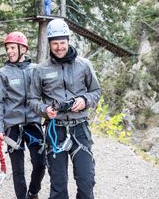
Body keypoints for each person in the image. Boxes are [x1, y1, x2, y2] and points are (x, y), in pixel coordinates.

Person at [28, 19, 101, 199]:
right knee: (58, 185)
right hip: (55, 131)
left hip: (80, 128)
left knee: (86, 181)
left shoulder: (84, 65)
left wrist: (85, 100)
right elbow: (32, 99)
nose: (59, 47)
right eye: (55, 43)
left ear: (68, 41)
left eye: (62, 42)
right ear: (50, 44)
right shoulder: (41, 69)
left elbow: (96, 91)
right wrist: (45, 109)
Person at [0, 31, 46, 199]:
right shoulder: (3, 73)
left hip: (33, 124)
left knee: (40, 163)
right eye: (7, 48)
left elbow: (46, 95)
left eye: (12, 47)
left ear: (23, 49)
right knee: (18, 170)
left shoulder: (36, 70)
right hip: (12, 127)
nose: (9, 51)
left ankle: (33, 192)